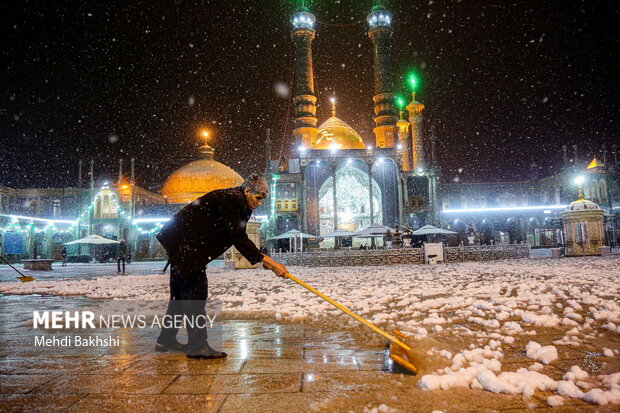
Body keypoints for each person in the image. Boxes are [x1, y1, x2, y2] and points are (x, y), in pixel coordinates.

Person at [155, 174, 288, 359]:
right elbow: (239, 237)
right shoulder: (233, 199)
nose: (259, 204)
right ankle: (197, 346)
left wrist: (261, 259)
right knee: (195, 296)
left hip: (181, 244)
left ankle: (166, 340)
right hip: (187, 247)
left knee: (179, 298)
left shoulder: (235, 199)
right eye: (257, 198)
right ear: (247, 190)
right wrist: (271, 264)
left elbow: (236, 235)